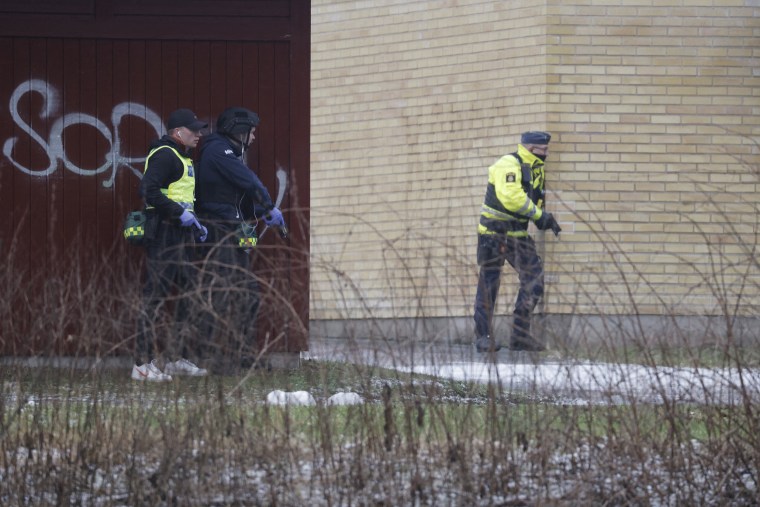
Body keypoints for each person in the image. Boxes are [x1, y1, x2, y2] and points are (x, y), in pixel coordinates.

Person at [194, 106, 285, 371]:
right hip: (219, 231)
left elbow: (232, 200)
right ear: (239, 130)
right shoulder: (217, 151)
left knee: (246, 294)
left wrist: (259, 213)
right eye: (252, 132)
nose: (254, 137)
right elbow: (249, 182)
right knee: (223, 294)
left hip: (230, 229)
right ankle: (215, 358)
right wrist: (268, 205)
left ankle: (244, 355)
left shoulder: (227, 153)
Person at [132, 108, 210, 381]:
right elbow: (148, 190)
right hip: (164, 233)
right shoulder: (166, 155)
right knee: (155, 297)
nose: (199, 134)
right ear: (178, 132)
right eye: (194, 130)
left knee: (187, 296)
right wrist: (180, 214)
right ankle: (141, 365)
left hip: (180, 235)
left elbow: (181, 197)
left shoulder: (181, 157)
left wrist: (195, 223)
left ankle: (177, 358)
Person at [473, 131, 561, 353]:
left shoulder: (535, 169)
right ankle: (483, 337)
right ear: (532, 148)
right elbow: (511, 198)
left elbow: (533, 198)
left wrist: (543, 217)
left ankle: (520, 336)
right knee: (489, 284)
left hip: (518, 235)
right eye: (544, 150)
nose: (547, 153)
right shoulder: (508, 163)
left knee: (534, 280)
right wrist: (539, 215)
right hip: (494, 233)